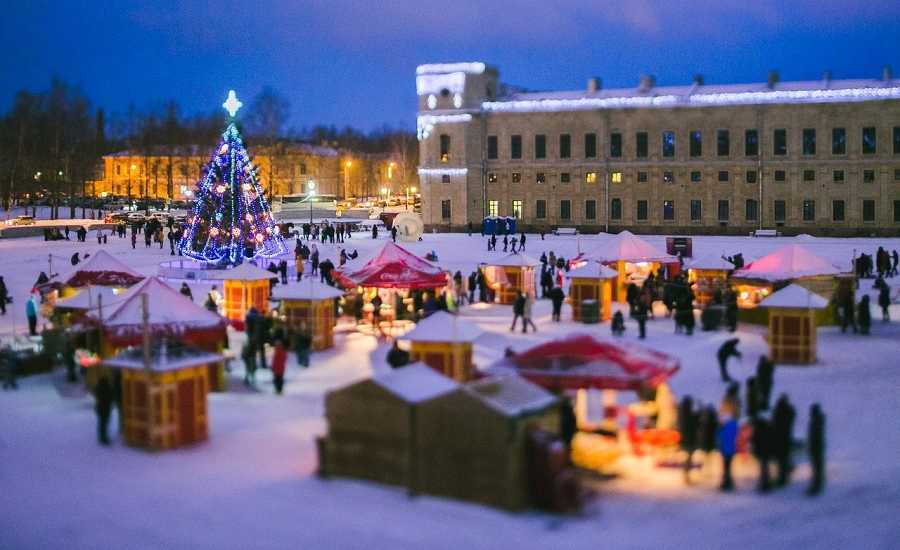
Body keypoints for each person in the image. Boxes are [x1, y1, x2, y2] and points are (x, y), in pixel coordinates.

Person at [772, 394, 796, 487]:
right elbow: (792, 417)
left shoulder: (777, 411)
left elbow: (774, 422)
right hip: (787, 436)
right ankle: (786, 472)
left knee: (780, 459)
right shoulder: (789, 410)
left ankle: (782, 477)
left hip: (779, 438)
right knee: (785, 456)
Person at [678, 396, 699, 484]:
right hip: (689, 441)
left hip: (685, 441)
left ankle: (686, 477)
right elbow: (695, 423)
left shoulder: (682, 415)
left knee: (687, 459)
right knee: (688, 460)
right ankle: (687, 477)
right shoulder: (689, 415)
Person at [807, 403, 826, 496]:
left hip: (816, 447)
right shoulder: (817, 421)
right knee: (817, 466)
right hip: (817, 446)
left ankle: (817, 485)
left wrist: (812, 446)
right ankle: (818, 483)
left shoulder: (816, 422)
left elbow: (814, 436)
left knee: (817, 466)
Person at [718, 411, 738, 491]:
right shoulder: (734, 425)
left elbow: (720, 437)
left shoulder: (724, 427)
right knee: (729, 467)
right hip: (732, 450)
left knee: (726, 467)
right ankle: (729, 483)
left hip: (725, 450)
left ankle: (726, 483)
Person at [752, 415, 773, 492]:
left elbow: (755, 441)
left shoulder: (758, 430)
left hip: (761, 451)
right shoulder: (768, 429)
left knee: (763, 468)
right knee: (765, 467)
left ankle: (765, 484)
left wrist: (755, 451)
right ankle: (766, 483)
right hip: (766, 452)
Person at [94, 376, 114, 445]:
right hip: (106, 408)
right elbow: (111, 397)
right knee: (105, 423)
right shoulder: (108, 388)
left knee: (101, 423)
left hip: (99, 407)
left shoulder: (98, 388)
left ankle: (101, 437)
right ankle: (104, 438)